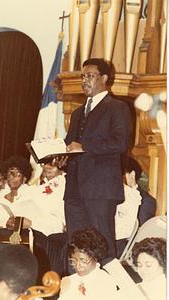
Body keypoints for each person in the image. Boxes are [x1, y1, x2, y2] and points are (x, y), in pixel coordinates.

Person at [62, 58, 132, 261]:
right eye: (82, 76)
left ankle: (109, 289)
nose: (84, 80)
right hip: (74, 189)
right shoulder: (76, 114)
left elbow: (120, 143)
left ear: (104, 78)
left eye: (90, 75)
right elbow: (70, 146)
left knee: (103, 244)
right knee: (75, 245)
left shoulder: (117, 108)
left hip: (100, 189)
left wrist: (84, 147)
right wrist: (59, 158)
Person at [58, 228, 121, 300]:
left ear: (95, 257)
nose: (78, 266)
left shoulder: (104, 281)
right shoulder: (71, 280)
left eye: (83, 261)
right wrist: (64, 294)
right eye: (74, 261)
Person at [122, 156, 156, 226]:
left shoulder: (146, 201)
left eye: (122, 175)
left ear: (132, 174)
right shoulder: (113, 197)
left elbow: (141, 230)